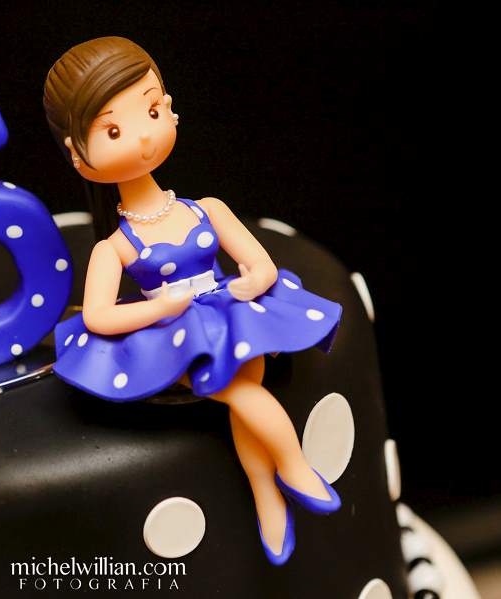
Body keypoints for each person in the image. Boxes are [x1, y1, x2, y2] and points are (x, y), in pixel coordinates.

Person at [43, 36, 342, 565]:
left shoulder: (208, 208)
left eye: (151, 111)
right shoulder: (114, 248)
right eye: (113, 131)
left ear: (169, 107)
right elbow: (98, 316)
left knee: (244, 390)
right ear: (78, 155)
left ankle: (267, 493)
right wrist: (160, 308)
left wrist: (252, 282)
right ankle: (293, 466)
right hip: (175, 333)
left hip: (231, 312)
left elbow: (261, 265)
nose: (142, 137)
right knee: (240, 391)